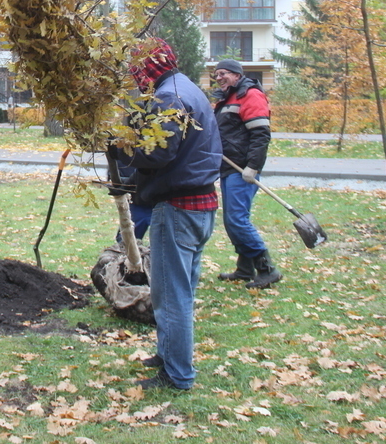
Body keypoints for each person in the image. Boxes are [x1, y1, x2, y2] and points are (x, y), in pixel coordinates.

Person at [117, 38, 222, 391]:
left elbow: (158, 152)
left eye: (137, 71)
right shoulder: (186, 87)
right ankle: (168, 355)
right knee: (181, 292)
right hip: (200, 205)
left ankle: (177, 375)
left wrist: (123, 145)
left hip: (178, 208)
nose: (136, 80)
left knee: (170, 297)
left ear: (148, 68)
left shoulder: (169, 96)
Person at [211, 59, 281, 289]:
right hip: (230, 168)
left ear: (237, 74)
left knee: (236, 220)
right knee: (234, 220)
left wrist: (253, 167)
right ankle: (244, 269)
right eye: (216, 74)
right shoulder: (227, 99)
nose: (219, 77)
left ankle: (267, 269)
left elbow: (261, 134)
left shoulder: (250, 95)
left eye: (223, 73)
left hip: (242, 170)